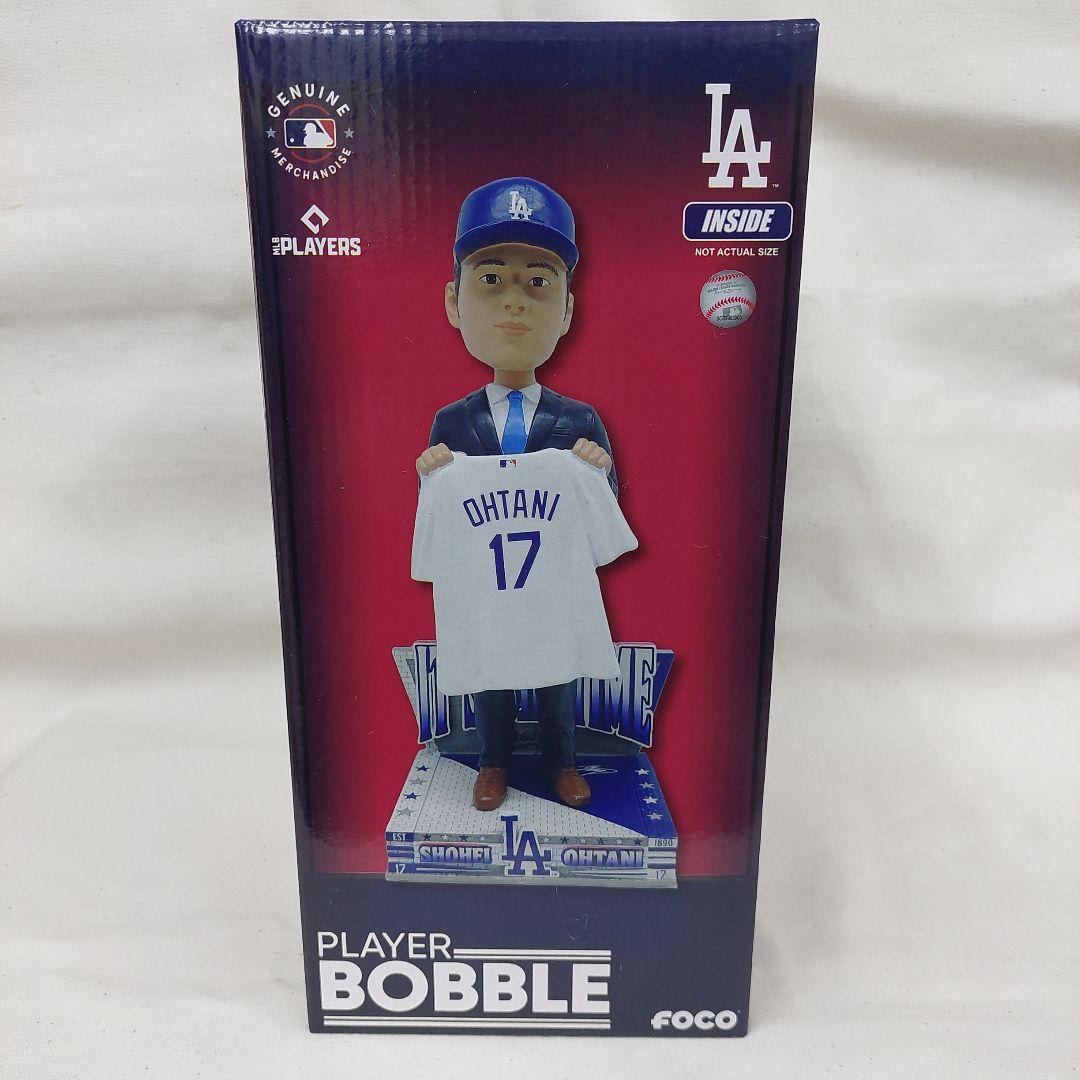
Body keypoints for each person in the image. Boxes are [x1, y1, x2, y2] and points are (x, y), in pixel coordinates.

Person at [415, 177, 618, 812]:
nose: (515, 302)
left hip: (551, 582)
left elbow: (606, 507)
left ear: (567, 310)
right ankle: (492, 761)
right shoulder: (453, 420)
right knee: (491, 674)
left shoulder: (577, 417)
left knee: (557, 676)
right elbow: (439, 508)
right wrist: (431, 472)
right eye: (491, 280)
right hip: (485, 583)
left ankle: (562, 760)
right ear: (454, 303)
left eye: (537, 282)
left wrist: (600, 469)